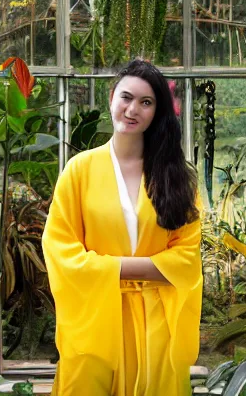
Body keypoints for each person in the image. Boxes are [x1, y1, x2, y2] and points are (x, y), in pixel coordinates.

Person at [42, 59, 202, 396]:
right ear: (112, 97)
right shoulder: (79, 170)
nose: (133, 110)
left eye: (146, 103)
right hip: (95, 320)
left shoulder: (175, 176)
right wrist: (143, 269)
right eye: (126, 97)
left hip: (156, 324)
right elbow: (60, 249)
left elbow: (187, 256)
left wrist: (105, 266)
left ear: (157, 112)